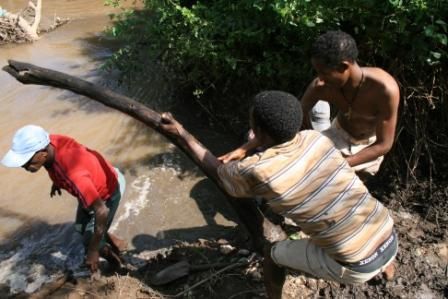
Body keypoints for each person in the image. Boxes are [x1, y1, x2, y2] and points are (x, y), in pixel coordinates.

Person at [160, 91, 398, 299]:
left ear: (258, 131)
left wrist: (181, 133)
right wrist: (253, 144)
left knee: (272, 255)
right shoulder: (316, 140)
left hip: (357, 266)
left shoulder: (258, 171)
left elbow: (217, 171)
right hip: (388, 232)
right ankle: (388, 270)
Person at [220, 31, 400, 180]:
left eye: (324, 73)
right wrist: (245, 148)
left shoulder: (384, 90)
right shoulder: (321, 87)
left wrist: (340, 165)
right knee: (301, 174)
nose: (320, 79)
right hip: (336, 135)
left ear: (344, 67)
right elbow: (285, 123)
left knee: (337, 185)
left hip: (367, 146)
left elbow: (383, 145)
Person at [1, 125, 127, 273]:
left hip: (108, 194)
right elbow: (66, 162)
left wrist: (93, 251)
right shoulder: (51, 143)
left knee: (91, 242)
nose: (23, 166)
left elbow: (102, 211)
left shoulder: (74, 176)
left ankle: (117, 264)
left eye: (26, 161)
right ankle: (117, 244)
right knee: (81, 227)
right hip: (92, 186)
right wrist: (57, 182)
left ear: (42, 154)